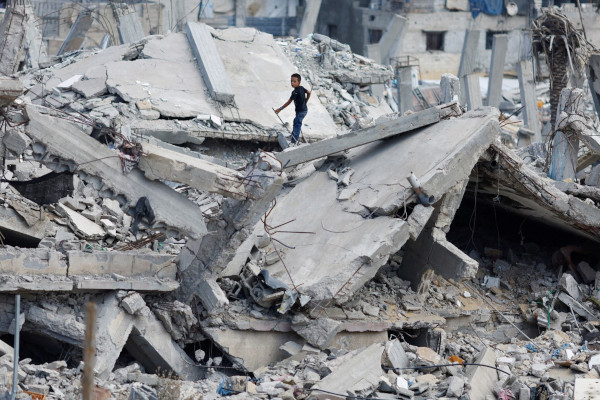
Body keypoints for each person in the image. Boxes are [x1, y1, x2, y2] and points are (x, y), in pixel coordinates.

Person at [275, 73, 311, 144]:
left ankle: (294, 141)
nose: (292, 83)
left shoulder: (295, 92)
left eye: (294, 81)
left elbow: (288, 102)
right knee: (295, 122)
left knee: (297, 124)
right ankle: (293, 136)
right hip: (303, 110)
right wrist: (306, 101)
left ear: (299, 82)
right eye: (291, 81)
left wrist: (280, 109)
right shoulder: (301, 88)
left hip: (301, 111)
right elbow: (309, 92)